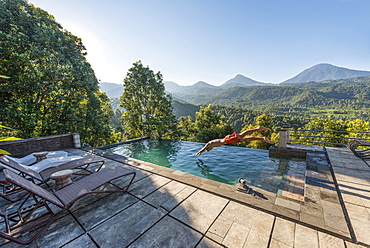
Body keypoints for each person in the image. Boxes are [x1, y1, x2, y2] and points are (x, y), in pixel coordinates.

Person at [195, 126, 274, 156]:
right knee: (246, 139)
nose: (210, 149)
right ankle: (262, 138)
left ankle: (257, 128)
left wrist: (199, 152)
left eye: (209, 150)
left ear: (208, 148)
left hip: (227, 140)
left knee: (243, 134)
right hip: (228, 140)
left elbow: (204, 148)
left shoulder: (209, 145)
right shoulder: (212, 145)